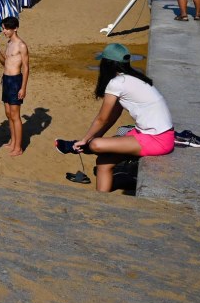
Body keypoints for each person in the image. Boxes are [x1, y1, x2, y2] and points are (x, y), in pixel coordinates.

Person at [58, 44, 174, 192]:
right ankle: (101, 202)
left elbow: (102, 118)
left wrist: (87, 140)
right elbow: (113, 116)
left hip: (157, 139)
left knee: (96, 145)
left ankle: (80, 146)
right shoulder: (132, 78)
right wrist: (91, 137)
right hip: (150, 134)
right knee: (103, 162)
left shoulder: (116, 83)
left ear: (106, 64)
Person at [0, 16, 29, 156]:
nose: (4, 31)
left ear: (15, 28)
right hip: (6, 79)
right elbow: (5, 62)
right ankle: (13, 141)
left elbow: (26, 68)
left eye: (6, 29)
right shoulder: (8, 44)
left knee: (15, 115)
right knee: (8, 114)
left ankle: (18, 148)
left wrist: (23, 87)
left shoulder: (21, 45)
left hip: (15, 81)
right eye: (3, 28)